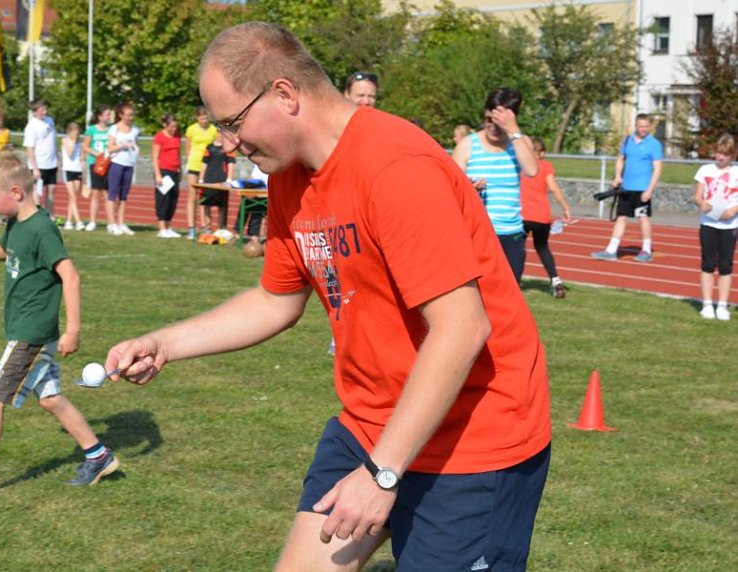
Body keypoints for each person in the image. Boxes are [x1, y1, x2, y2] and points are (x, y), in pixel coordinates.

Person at [104, 22, 551, 571]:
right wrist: (164, 344)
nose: (227, 143)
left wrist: (382, 474)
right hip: (370, 422)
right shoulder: (289, 175)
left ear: (284, 94)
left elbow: (462, 328)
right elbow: (276, 300)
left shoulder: (396, 167)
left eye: (232, 123)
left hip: (475, 439)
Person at [0, 152, 118, 499]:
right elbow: (4, 250)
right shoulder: (16, 223)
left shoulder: (42, 229)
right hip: (26, 329)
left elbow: (70, 276)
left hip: (30, 334)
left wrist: (73, 330)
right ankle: (98, 456)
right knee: (51, 399)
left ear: (16, 192)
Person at [452, 88, 539, 284]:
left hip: (511, 234)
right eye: (488, 119)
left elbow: (532, 170)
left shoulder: (520, 142)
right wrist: (470, 188)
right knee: (478, 296)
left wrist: (513, 130)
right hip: (476, 234)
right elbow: (452, 188)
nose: (492, 127)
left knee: (510, 295)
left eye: (499, 122)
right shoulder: (467, 145)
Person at [591, 113, 664, 262]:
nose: (643, 129)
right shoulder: (628, 140)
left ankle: (646, 250)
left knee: (643, 218)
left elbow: (657, 169)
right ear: (636, 126)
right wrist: (618, 176)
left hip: (642, 189)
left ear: (649, 126)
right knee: (621, 218)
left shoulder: (654, 144)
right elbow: (620, 159)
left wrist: (649, 190)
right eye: (641, 126)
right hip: (626, 187)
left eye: (646, 126)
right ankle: (611, 250)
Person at [692, 134, 738, 321]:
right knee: (708, 264)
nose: (720, 157)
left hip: (730, 225)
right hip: (708, 224)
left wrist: (734, 209)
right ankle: (707, 304)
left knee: (726, 265)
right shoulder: (705, 170)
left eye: (724, 154)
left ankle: (722, 306)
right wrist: (701, 203)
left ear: (732, 155)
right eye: (718, 153)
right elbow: (697, 196)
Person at [521, 137, 572, 299]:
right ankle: (555, 280)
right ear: (541, 152)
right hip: (542, 216)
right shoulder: (546, 166)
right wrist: (565, 208)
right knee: (542, 248)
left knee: (516, 249)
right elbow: (554, 189)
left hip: (522, 215)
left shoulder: (520, 166)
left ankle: (513, 279)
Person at [106, 102, 140, 236]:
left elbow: (136, 145)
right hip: (116, 163)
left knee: (124, 195)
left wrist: (134, 149)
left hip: (129, 164)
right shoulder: (114, 128)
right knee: (112, 194)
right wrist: (122, 145)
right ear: (121, 115)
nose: (130, 118)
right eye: (128, 115)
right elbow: (110, 148)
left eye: (132, 115)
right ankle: (111, 223)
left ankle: (121, 222)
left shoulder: (135, 129)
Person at [184, 106, 218, 239]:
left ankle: (206, 226)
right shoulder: (191, 129)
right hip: (194, 164)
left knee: (205, 197)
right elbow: (187, 149)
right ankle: (191, 227)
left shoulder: (213, 129)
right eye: (202, 118)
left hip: (208, 166)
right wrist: (190, 158)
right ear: (197, 118)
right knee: (192, 196)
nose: (204, 120)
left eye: (206, 118)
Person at [23, 99, 59, 218]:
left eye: (45, 109)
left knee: (51, 191)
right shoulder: (31, 126)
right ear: (35, 111)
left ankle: (50, 217)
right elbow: (29, 149)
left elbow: (53, 142)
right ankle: (35, 217)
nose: (45, 112)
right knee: (37, 192)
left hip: (51, 163)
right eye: (42, 110)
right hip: (39, 164)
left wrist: (57, 159)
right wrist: (35, 168)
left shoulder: (50, 120)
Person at [151, 113, 183, 238]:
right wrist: (158, 175)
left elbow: (178, 153)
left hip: (175, 171)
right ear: (165, 125)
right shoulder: (159, 137)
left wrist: (180, 169)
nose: (174, 129)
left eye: (175, 126)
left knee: (173, 199)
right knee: (163, 199)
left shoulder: (177, 136)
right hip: (164, 171)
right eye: (171, 126)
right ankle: (162, 228)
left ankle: (169, 227)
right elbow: (155, 157)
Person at [82, 104, 112, 231]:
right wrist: (98, 155)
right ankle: (92, 221)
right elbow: (86, 146)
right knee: (95, 192)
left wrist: (107, 156)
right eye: (107, 114)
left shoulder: (112, 130)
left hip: (108, 164)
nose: (109, 117)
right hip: (95, 164)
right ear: (100, 117)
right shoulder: (91, 130)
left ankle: (111, 222)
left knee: (108, 193)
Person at [198, 131, 235, 233]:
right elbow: (204, 164)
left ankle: (220, 228)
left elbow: (231, 164)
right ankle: (207, 227)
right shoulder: (209, 147)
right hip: (208, 180)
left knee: (221, 205)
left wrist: (229, 179)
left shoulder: (229, 148)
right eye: (220, 133)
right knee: (206, 204)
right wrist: (201, 179)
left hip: (222, 180)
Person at [61, 122, 85, 231]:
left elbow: (82, 158)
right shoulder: (65, 140)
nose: (76, 134)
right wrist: (74, 141)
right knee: (73, 197)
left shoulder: (80, 142)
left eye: (77, 131)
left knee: (73, 197)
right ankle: (79, 222)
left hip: (77, 170)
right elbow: (69, 153)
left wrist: (83, 171)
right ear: (69, 131)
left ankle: (68, 221)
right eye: (74, 131)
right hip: (68, 170)